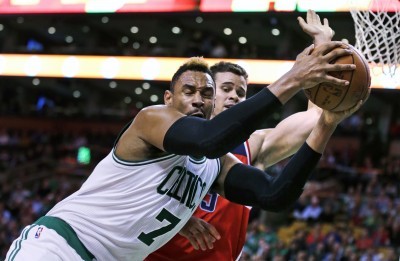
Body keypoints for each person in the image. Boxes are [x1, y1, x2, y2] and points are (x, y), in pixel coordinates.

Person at [6, 37, 360, 260]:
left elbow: (275, 194)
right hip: (58, 247)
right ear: (168, 98)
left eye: (206, 94)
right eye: (188, 91)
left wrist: (327, 123)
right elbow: (209, 139)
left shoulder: (214, 165)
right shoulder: (151, 119)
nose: (198, 100)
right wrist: (294, 78)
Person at [147, 10, 342, 261]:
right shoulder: (168, 134)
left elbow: (315, 118)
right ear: (207, 94)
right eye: (226, 89)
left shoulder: (253, 144)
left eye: (241, 93)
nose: (234, 97)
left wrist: (322, 45)